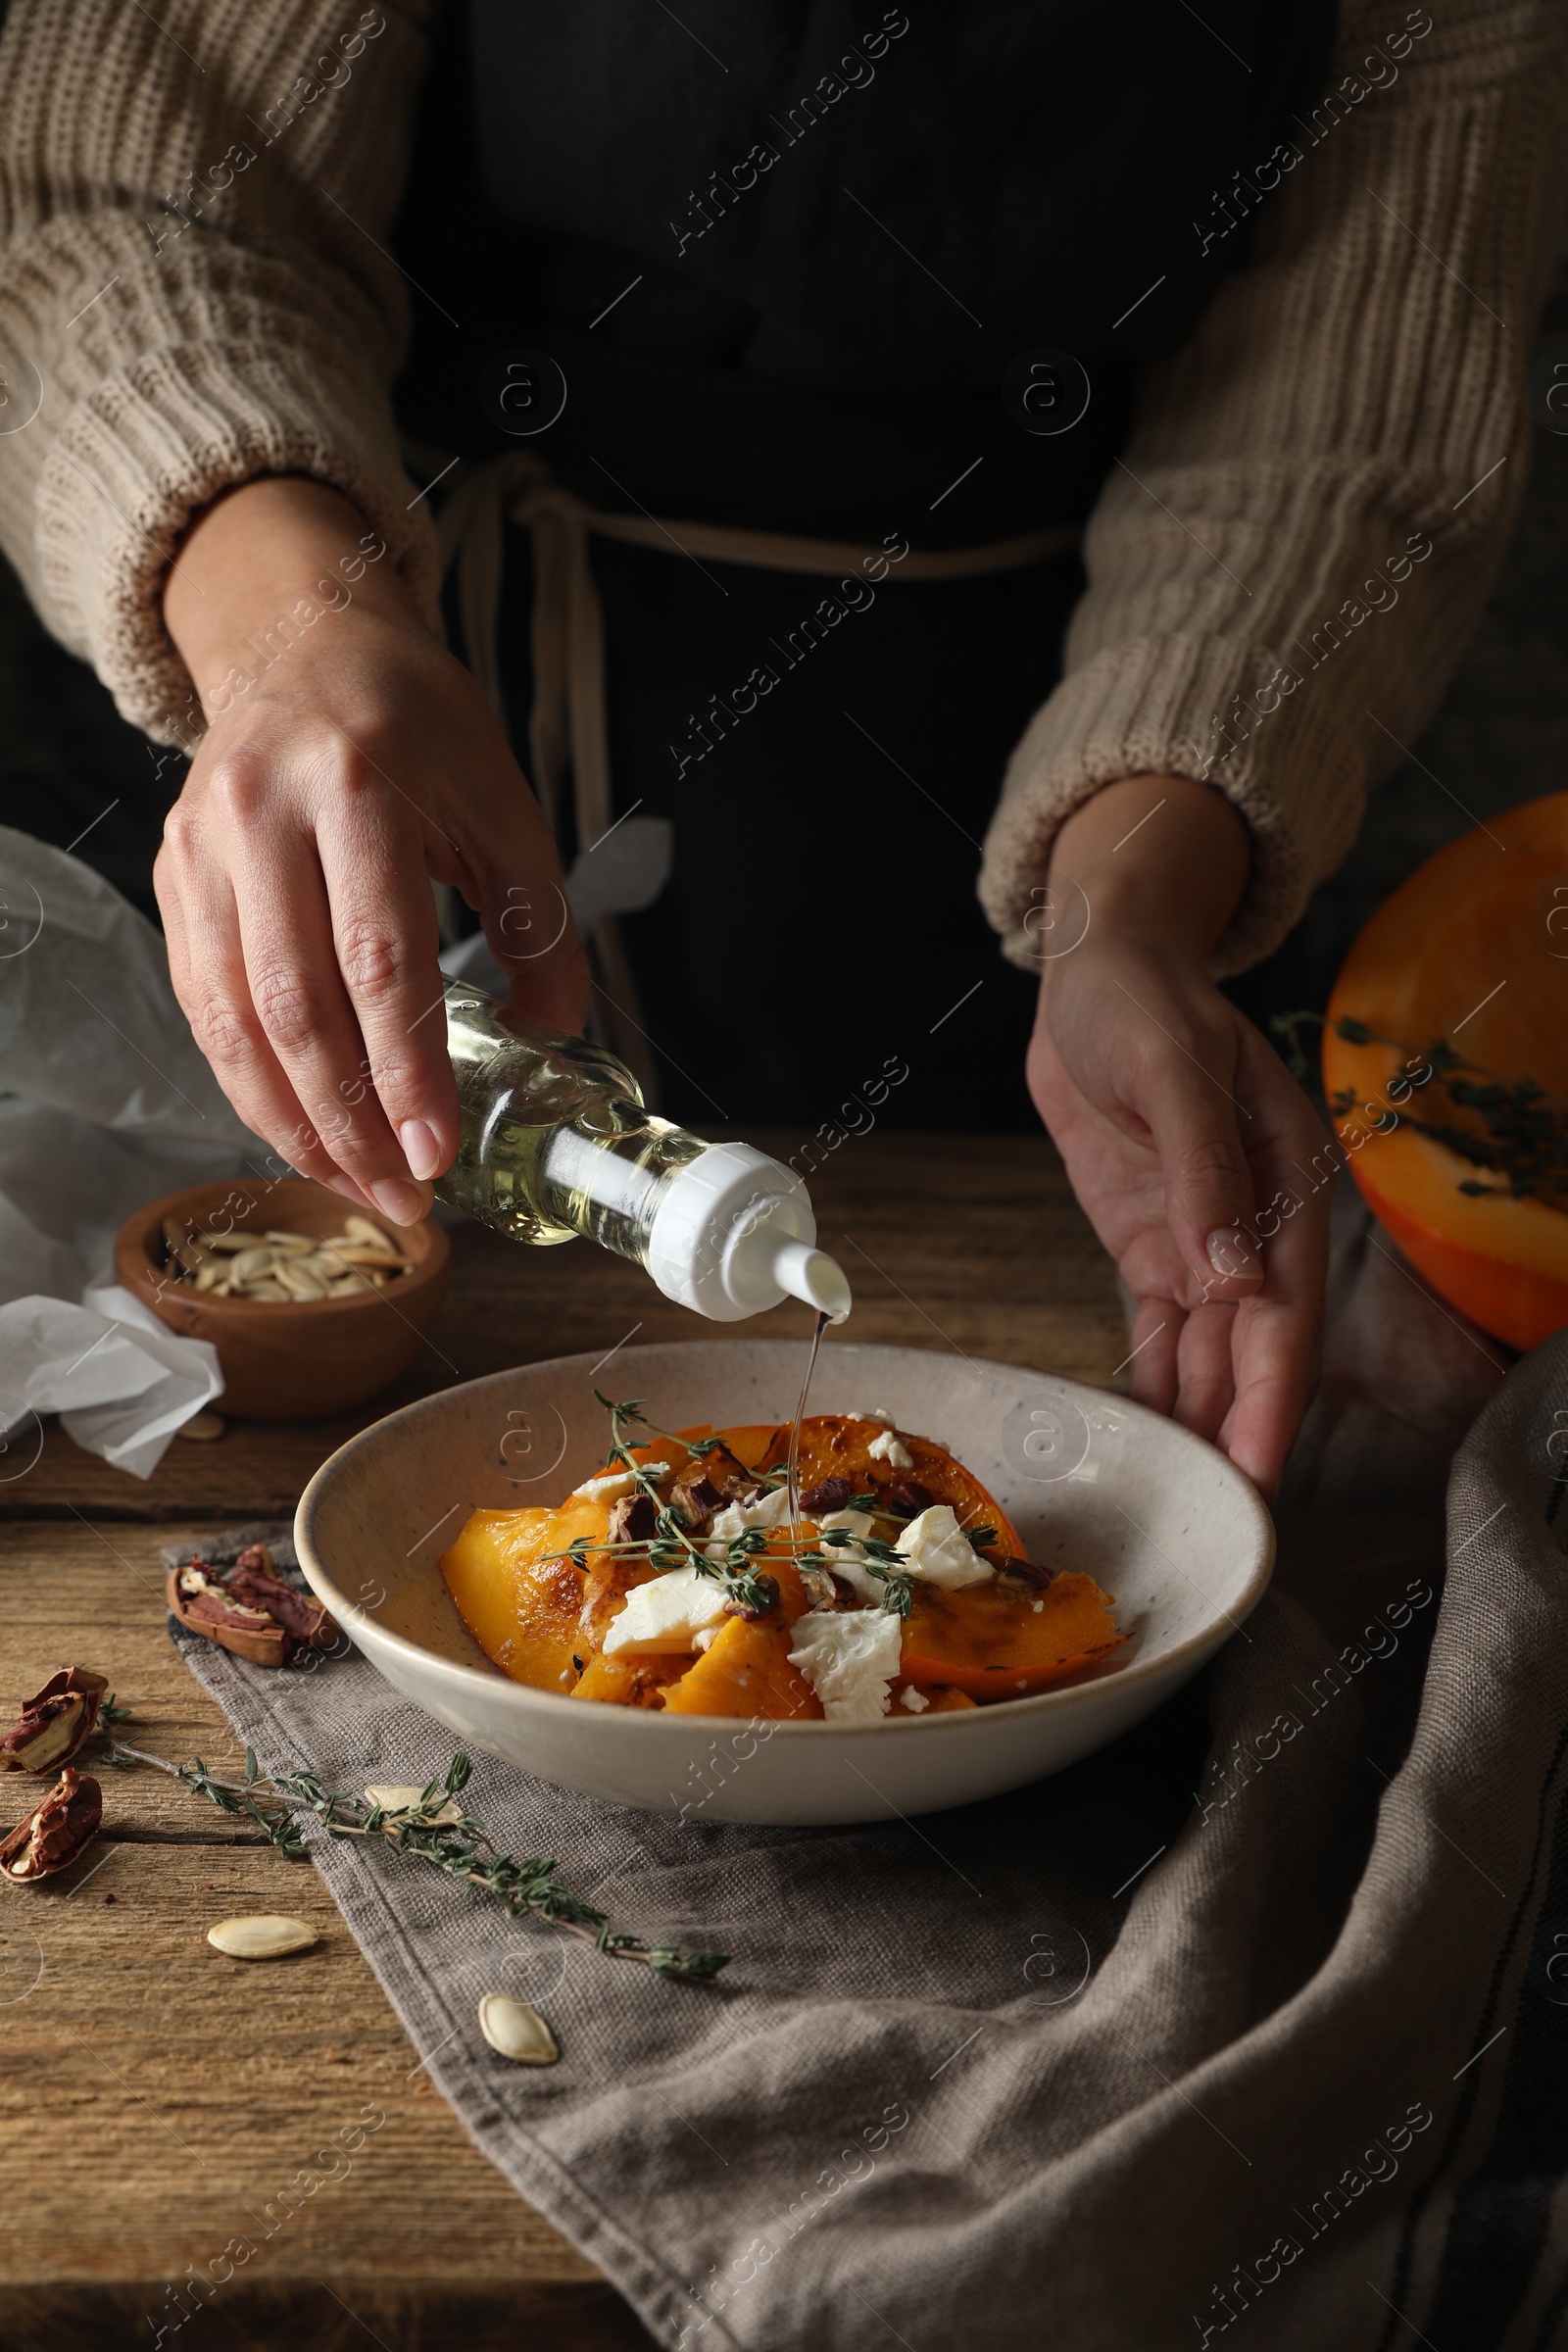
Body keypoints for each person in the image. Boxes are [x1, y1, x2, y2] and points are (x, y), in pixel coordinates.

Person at [0, 0, 1560, 1501]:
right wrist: (290, 637)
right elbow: (138, 197)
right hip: (413, 678)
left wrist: (1131, 910)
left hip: (1051, 715)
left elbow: (1349, 421)